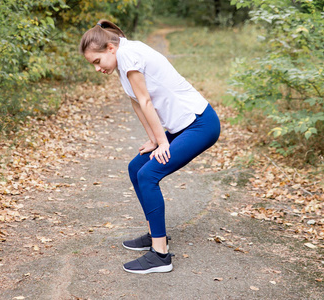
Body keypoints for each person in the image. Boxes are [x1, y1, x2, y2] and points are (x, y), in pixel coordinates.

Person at [79, 19, 220, 274]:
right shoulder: (122, 61)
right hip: (182, 126)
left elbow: (145, 101)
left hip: (200, 123)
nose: (97, 69)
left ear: (110, 48)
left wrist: (163, 142)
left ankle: (160, 255)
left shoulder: (129, 54)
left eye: (97, 62)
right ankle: (157, 235)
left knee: (148, 174)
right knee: (136, 167)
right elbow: (136, 102)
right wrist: (154, 140)